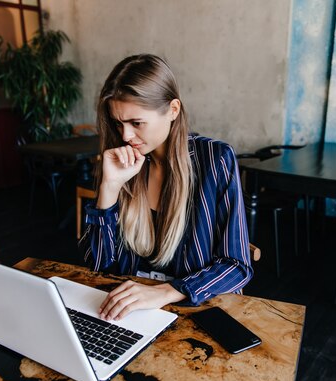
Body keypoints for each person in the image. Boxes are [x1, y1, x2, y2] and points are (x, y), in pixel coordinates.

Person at [79, 54, 252, 321]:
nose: (125, 136)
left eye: (136, 123)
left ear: (173, 110)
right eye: (118, 123)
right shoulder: (123, 162)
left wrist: (167, 291)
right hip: (131, 315)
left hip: (195, 312)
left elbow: (237, 267)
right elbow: (98, 267)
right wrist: (109, 187)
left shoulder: (215, 159)